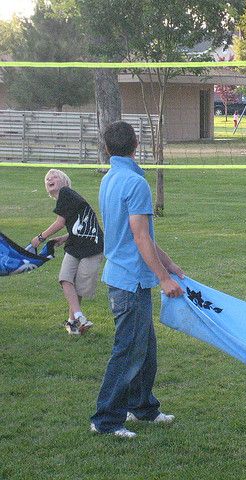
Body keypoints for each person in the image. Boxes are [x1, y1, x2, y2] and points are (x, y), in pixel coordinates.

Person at [90, 121, 184, 439]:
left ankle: (142, 407)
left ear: (107, 148)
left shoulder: (110, 178)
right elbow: (139, 235)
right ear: (137, 143)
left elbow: (139, 235)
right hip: (129, 281)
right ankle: (105, 419)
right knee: (128, 350)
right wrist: (163, 279)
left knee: (145, 349)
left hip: (126, 277)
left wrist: (169, 264)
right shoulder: (134, 182)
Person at [30, 169, 104, 335]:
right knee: (65, 278)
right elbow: (77, 223)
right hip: (75, 243)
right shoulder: (66, 198)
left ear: (64, 181)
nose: (50, 178)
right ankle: (77, 319)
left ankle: (73, 322)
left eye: (54, 176)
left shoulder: (66, 192)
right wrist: (65, 237)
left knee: (79, 286)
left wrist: (40, 237)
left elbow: (60, 222)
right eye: (47, 178)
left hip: (92, 246)